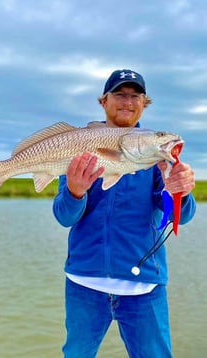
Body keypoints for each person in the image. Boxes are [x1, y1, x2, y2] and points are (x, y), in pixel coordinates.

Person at [52, 69, 196, 358]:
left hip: (145, 288)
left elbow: (177, 215)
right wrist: (76, 192)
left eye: (135, 96)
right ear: (104, 101)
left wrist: (180, 190)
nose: (127, 101)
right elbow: (64, 217)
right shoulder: (80, 146)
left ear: (144, 103)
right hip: (84, 282)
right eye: (119, 94)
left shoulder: (157, 156)